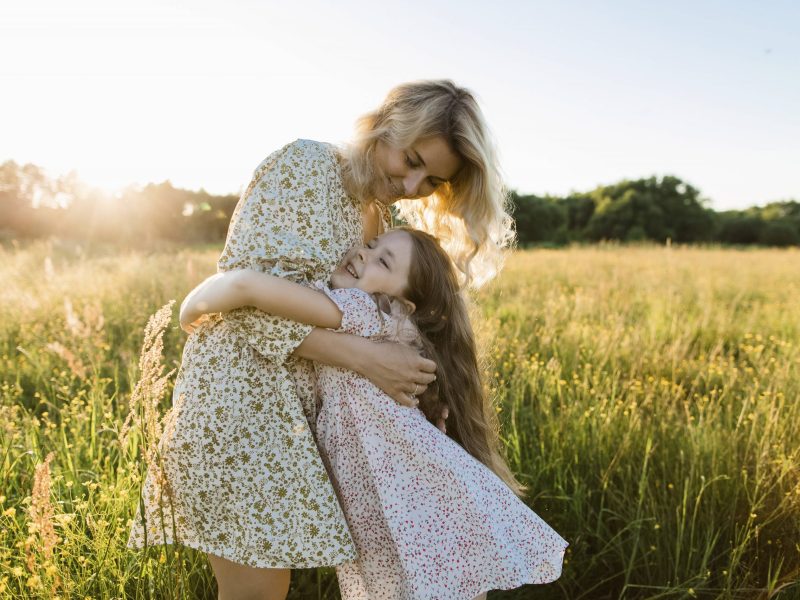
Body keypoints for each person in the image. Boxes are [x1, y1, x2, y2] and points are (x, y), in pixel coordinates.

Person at [128, 80, 516, 600]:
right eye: (413, 158)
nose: (412, 184)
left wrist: (417, 383)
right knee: (257, 591)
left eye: (433, 180)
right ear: (386, 124)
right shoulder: (307, 165)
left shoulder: (378, 216)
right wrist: (367, 358)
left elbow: (366, 315)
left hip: (297, 418)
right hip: (239, 401)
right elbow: (243, 298)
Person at [179, 227, 568, 600]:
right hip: (396, 496)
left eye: (383, 262)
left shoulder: (365, 309)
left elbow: (246, 287)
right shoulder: (386, 321)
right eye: (372, 244)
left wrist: (191, 306)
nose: (363, 254)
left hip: (406, 496)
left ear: (401, 303)